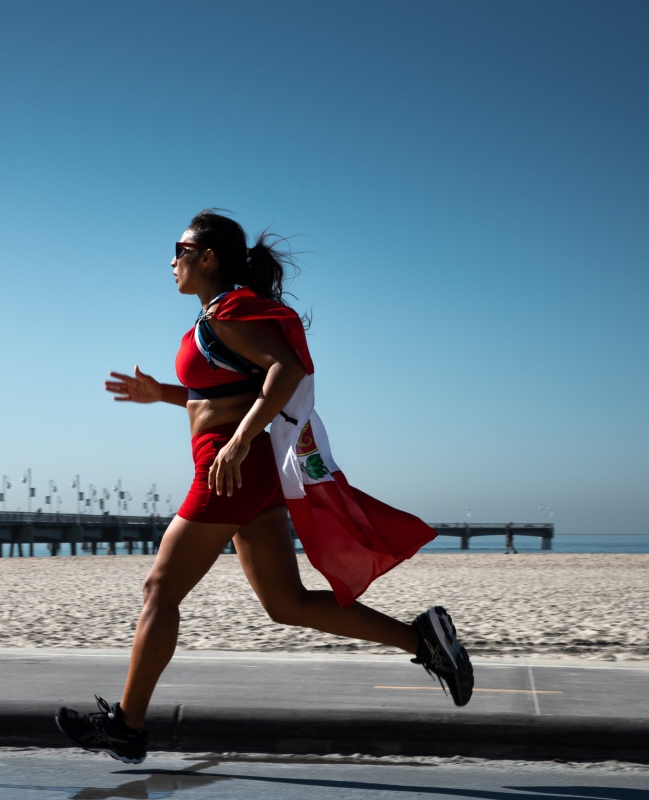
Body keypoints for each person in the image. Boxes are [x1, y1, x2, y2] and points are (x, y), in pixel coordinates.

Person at [55, 211, 473, 764]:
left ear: (207, 257)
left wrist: (237, 443)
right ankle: (424, 642)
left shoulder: (227, 312)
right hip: (248, 477)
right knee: (286, 603)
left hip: (229, 473)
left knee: (160, 590)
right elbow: (229, 392)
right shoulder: (217, 318)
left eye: (178, 249)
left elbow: (286, 370)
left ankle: (127, 727)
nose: (171, 261)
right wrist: (166, 394)